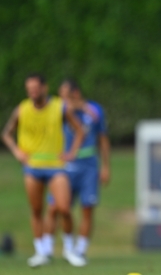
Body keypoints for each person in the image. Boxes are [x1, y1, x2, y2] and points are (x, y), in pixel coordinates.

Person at [1, 74, 84, 267]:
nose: (32, 92)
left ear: (44, 88)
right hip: (33, 166)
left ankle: (69, 249)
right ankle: (41, 251)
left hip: (55, 166)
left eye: (36, 88)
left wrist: (72, 152)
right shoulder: (22, 110)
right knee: (37, 210)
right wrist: (16, 151)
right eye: (29, 89)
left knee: (64, 207)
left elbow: (79, 130)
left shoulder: (59, 107)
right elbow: (6, 133)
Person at [42, 79, 111, 266]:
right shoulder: (59, 110)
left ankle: (80, 251)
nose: (62, 98)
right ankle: (46, 249)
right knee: (55, 207)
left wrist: (106, 166)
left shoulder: (95, 110)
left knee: (87, 208)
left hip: (89, 165)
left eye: (65, 94)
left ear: (76, 93)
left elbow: (102, 138)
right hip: (64, 166)